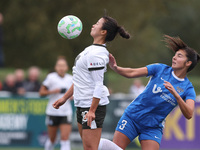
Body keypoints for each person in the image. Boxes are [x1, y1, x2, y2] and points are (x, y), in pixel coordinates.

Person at [98, 35, 200, 150]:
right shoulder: (160, 69)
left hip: (152, 127)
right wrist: (116, 68)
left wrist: (176, 94)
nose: (174, 58)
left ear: (188, 63)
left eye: (179, 56)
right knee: (115, 148)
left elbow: (189, 114)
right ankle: (99, 144)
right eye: (175, 55)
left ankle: (100, 144)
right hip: (132, 117)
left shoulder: (188, 88)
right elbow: (132, 72)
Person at [53, 14, 130, 150]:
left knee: (90, 147)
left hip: (90, 105)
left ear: (103, 32)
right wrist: (65, 98)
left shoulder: (97, 54)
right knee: (91, 145)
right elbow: (79, 79)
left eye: (97, 23)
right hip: (81, 103)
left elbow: (99, 85)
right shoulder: (89, 50)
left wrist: (92, 110)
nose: (93, 25)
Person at [39, 57, 73, 150]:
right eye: (59, 65)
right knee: (52, 139)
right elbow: (41, 92)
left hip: (66, 112)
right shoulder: (51, 77)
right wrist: (54, 91)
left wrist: (71, 97)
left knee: (65, 138)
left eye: (63, 66)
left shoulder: (71, 79)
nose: (61, 68)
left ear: (67, 67)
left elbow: (76, 93)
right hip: (52, 112)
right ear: (55, 67)